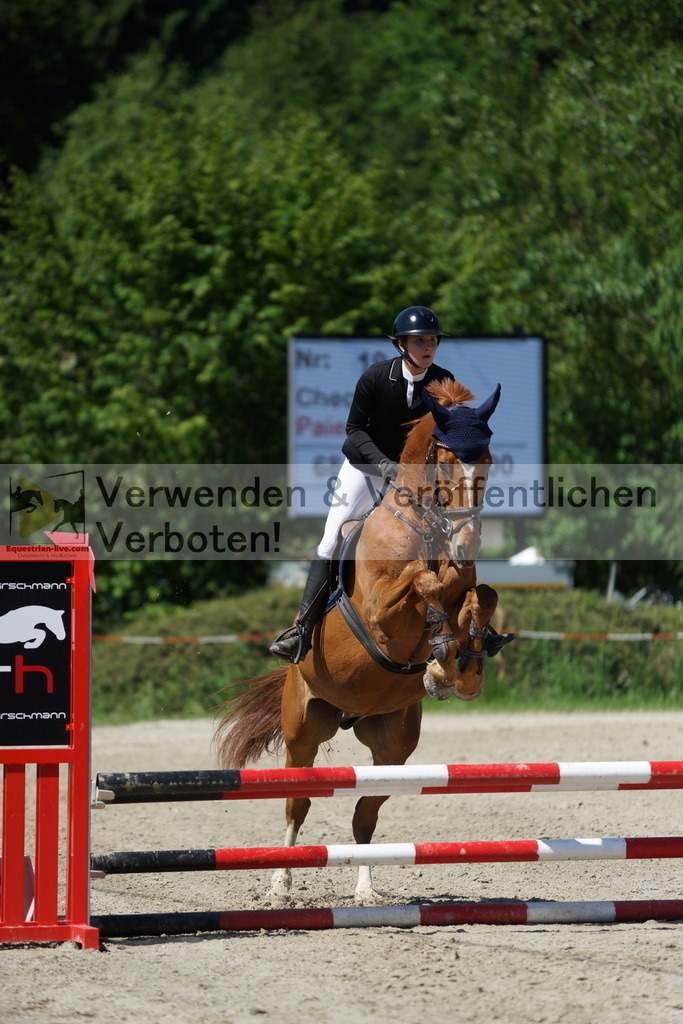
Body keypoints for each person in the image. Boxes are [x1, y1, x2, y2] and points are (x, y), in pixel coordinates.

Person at [269, 305, 455, 664]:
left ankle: (472, 626)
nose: (428, 347)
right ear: (401, 344)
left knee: (452, 534)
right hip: (367, 467)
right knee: (331, 536)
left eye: (432, 340)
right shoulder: (375, 377)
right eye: (419, 341)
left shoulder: (443, 382)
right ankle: (302, 630)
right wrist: (382, 464)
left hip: (417, 478)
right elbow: (353, 431)